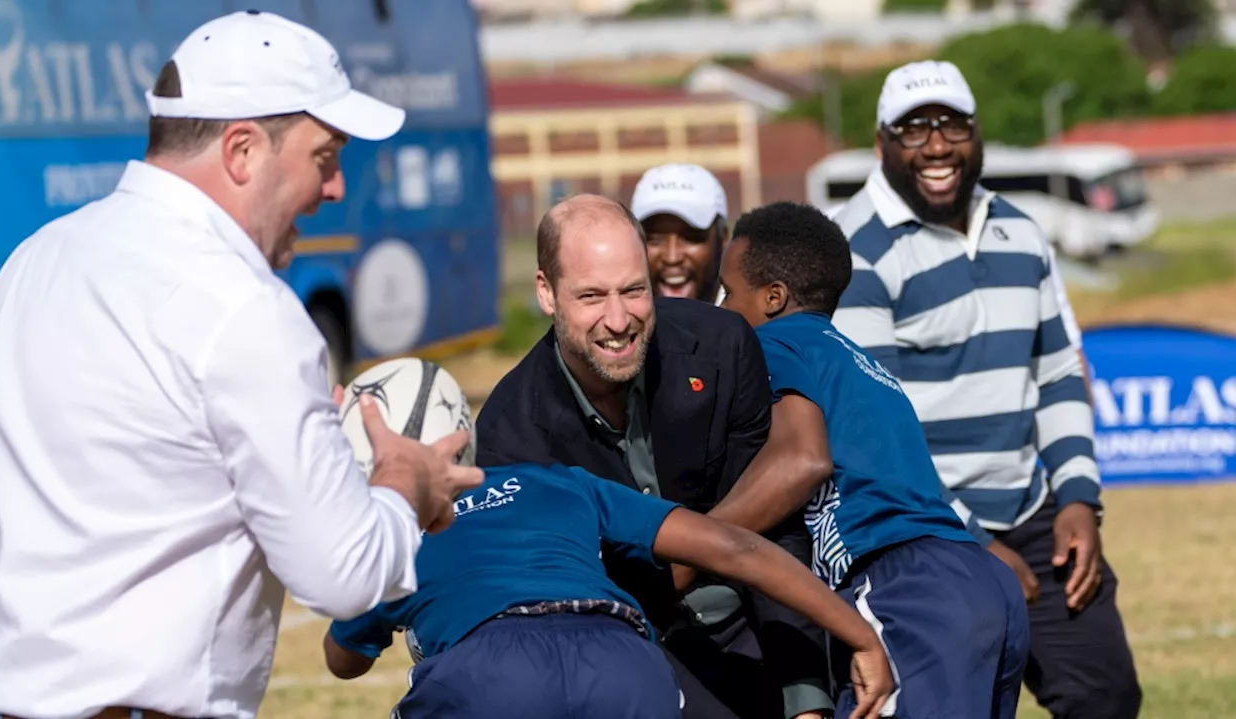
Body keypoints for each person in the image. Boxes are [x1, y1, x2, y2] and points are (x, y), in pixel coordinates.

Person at [0, 11, 482, 719]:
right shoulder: (244, 308)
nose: (334, 190)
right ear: (241, 151)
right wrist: (404, 483)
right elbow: (345, 573)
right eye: (325, 158)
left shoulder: (34, 259)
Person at [829, 59, 1141, 718]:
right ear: (882, 141)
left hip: (1035, 516)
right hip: (921, 532)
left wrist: (1079, 498)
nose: (937, 145)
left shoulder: (1021, 232)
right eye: (914, 129)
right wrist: (972, 539)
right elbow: (875, 428)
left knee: (1106, 695)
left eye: (952, 125)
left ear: (977, 134)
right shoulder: (853, 249)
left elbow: (1056, 372)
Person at [475, 194, 832, 719]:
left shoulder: (722, 346)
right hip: (626, 651)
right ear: (546, 293)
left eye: (634, 290)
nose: (618, 319)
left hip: (754, 622)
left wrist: (806, 696)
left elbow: (777, 526)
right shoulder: (511, 432)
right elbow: (563, 609)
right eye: (592, 296)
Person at [717, 200, 1030, 718]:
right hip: (978, 578)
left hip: (904, 588)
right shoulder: (859, 361)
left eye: (728, 292)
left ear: (773, 297)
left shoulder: (771, 344)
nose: (722, 307)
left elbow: (802, 463)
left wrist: (690, 544)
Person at [322, 461, 894, 719]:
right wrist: (860, 637)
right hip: (621, 657)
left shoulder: (396, 529)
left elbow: (343, 661)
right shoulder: (556, 481)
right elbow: (731, 547)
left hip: (491, 668)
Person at [631, 163, 730, 302]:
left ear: (723, 239)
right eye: (653, 239)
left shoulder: (752, 319)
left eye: (691, 238)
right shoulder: (613, 320)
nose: (672, 257)